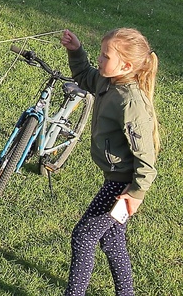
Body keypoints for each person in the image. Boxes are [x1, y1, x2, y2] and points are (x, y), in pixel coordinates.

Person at [60, 28, 159, 296]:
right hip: (115, 178)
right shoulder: (108, 81)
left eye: (105, 56)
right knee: (113, 241)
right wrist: (76, 50)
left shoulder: (131, 103)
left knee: (84, 236)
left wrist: (135, 195)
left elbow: (146, 161)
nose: (100, 59)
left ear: (126, 65)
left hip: (123, 185)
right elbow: (84, 76)